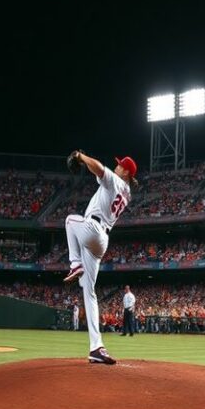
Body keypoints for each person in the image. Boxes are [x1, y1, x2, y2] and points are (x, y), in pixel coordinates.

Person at [62, 151, 137, 364]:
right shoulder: (127, 192)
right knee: (89, 292)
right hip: (101, 241)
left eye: (120, 165)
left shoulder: (116, 181)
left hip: (93, 229)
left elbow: (97, 167)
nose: (117, 167)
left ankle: (74, 263)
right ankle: (96, 347)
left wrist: (80, 156)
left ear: (126, 172)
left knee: (69, 220)